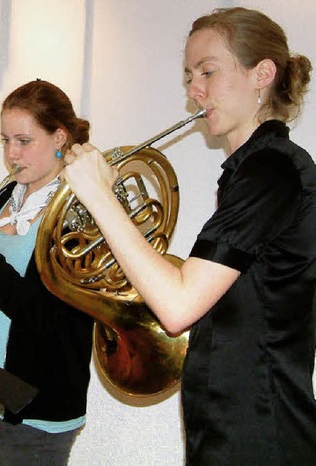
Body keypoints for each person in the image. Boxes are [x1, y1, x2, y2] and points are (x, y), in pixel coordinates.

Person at [64, 7, 316, 465]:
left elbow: (178, 306)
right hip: (226, 428)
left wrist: (102, 200)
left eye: (208, 71)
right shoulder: (250, 174)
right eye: (188, 76)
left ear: (262, 75)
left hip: (261, 436)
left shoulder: (272, 170)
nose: (194, 91)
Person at [0, 79, 94, 465]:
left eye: (23, 141)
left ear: (59, 137)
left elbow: (40, 314)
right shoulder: (8, 195)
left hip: (32, 406)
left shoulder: (80, 212)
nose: (11, 154)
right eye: (5, 140)